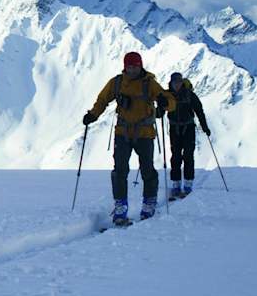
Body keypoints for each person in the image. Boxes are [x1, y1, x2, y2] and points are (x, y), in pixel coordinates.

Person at [82, 52, 175, 225]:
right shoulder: (117, 83)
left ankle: (149, 203)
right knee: (119, 171)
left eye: (135, 66)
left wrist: (165, 102)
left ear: (140, 66)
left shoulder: (149, 84)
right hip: (122, 132)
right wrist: (93, 115)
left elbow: (170, 101)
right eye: (129, 66)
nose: (132, 69)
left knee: (147, 169)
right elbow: (103, 99)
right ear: (125, 66)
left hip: (144, 133)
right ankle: (120, 206)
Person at [165, 72, 210, 200]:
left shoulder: (189, 95)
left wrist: (204, 126)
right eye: (175, 82)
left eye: (179, 82)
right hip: (174, 129)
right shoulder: (168, 96)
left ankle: (187, 185)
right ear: (171, 83)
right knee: (176, 156)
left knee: (188, 155)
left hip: (188, 128)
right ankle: (176, 184)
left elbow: (199, 111)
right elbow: (160, 112)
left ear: (182, 82)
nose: (177, 85)